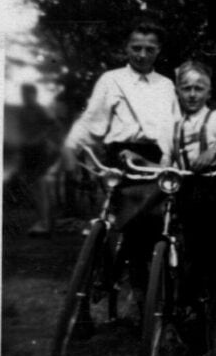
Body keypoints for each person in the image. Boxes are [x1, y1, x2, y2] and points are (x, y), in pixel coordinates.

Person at [60, 18, 181, 292]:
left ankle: (145, 301)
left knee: (148, 231)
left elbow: (173, 128)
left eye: (149, 49)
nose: (141, 54)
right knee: (110, 224)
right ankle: (96, 285)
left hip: (153, 161)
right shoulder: (112, 79)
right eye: (136, 47)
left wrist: (169, 161)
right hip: (119, 159)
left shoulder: (165, 86)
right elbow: (92, 120)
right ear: (126, 47)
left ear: (158, 51)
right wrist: (71, 146)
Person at [173, 61, 216, 315]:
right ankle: (195, 315)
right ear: (178, 91)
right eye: (186, 88)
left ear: (208, 93)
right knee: (192, 257)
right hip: (188, 194)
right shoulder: (175, 125)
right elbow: (166, 162)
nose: (192, 94)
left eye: (198, 89)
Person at [15, 83, 61, 237]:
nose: (25, 97)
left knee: (41, 188)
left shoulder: (40, 109)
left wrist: (42, 138)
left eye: (28, 94)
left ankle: (45, 224)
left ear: (34, 95)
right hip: (28, 151)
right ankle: (44, 221)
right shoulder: (23, 111)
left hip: (40, 151)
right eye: (23, 94)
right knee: (36, 189)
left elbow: (53, 126)